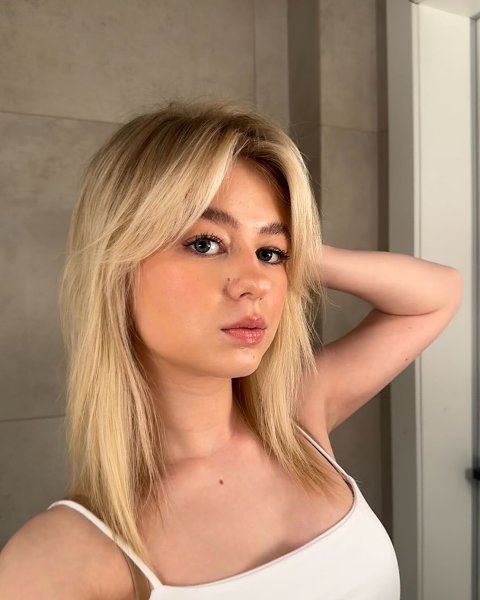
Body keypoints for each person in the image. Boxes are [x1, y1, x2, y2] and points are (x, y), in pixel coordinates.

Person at [0, 100, 462, 599]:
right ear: (117, 264)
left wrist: (300, 250)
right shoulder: (64, 557)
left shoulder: (295, 417)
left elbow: (438, 294)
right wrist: (266, 248)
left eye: (271, 254)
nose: (255, 283)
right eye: (205, 243)